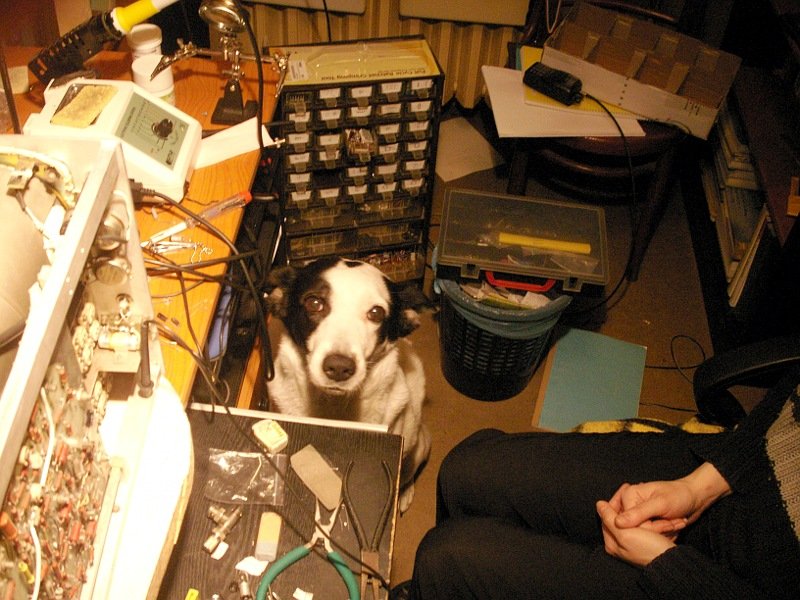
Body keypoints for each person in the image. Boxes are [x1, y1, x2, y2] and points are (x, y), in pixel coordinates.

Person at [391, 369, 800, 599]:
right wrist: (698, 487)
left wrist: (668, 565)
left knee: (446, 558)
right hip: (743, 472)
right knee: (467, 470)